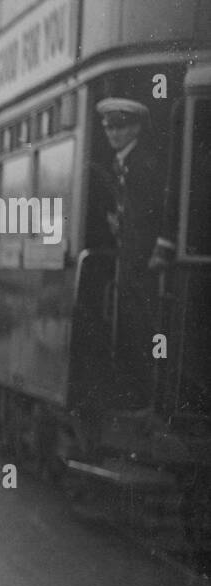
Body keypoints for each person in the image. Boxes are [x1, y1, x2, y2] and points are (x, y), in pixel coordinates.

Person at [87, 96, 174, 407]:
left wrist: (161, 247)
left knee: (142, 325)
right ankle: (135, 392)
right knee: (131, 322)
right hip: (132, 256)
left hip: (143, 260)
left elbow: (163, 210)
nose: (113, 134)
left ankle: (144, 395)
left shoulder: (144, 163)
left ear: (137, 128)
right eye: (109, 128)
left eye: (121, 127)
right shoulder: (125, 161)